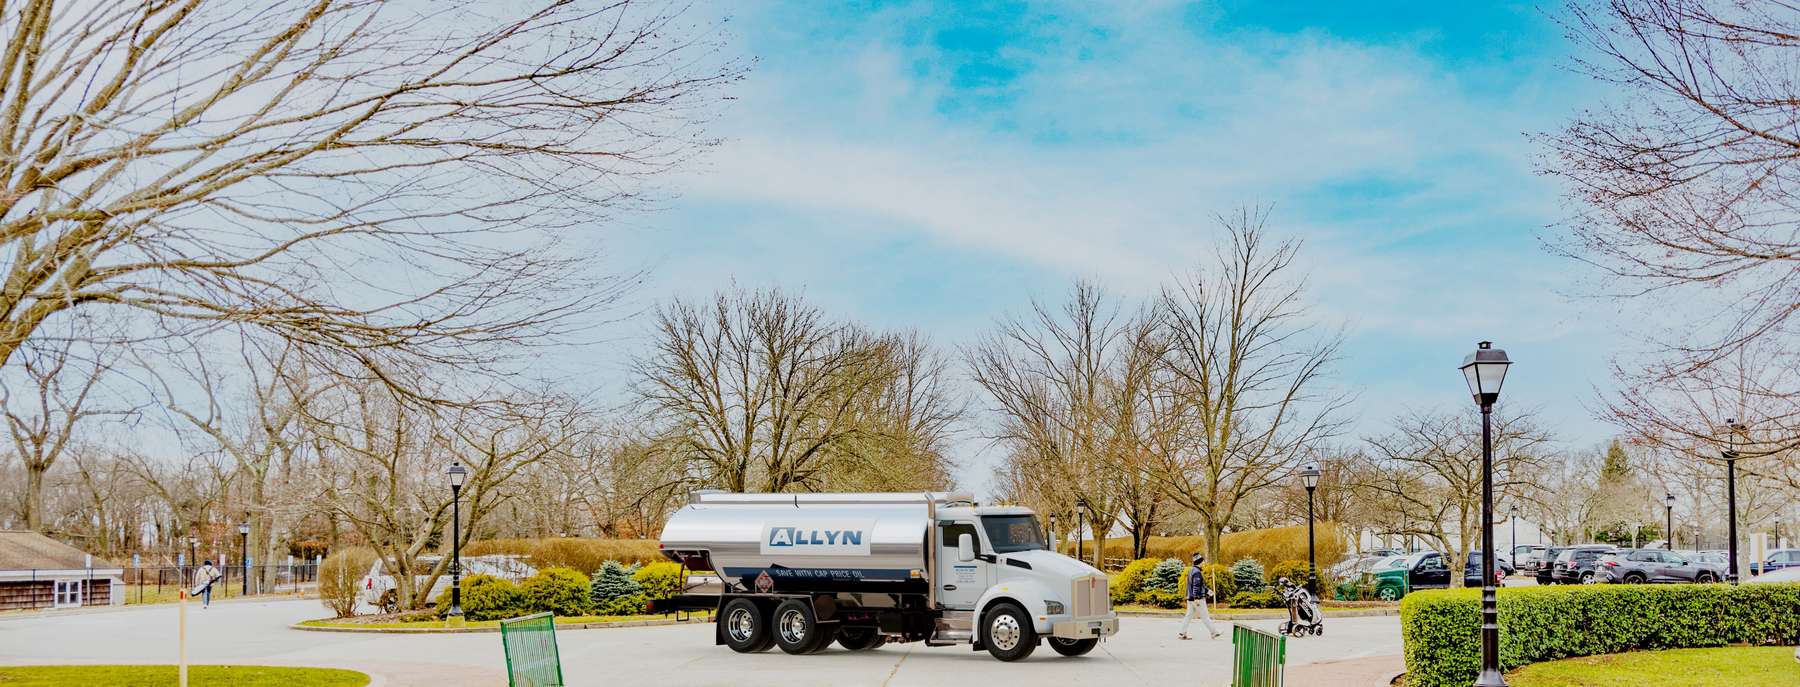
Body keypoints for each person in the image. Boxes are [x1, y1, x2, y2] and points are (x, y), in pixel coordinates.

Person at [1178, 552, 1220, 640]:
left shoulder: (1191, 570)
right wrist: (1196, 598)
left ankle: (1182, 633)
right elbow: (1196, 586)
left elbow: (1199, 585)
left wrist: (1208, 591)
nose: (1204, 563)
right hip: (1197, 599)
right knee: (1205, 616)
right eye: (1203, 561)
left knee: (1188, 616)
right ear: (1199, 562)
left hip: (1190, 598)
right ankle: (1214, 632)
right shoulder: (1197, 572)